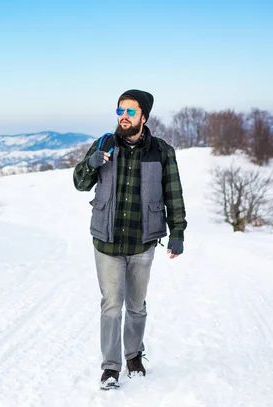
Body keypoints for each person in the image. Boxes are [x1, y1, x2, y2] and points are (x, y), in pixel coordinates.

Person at [73, 89, 187, 390]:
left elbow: (174, 194)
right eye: (120, 110)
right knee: (112, 305)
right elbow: (80, 184)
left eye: (131, 111)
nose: (124, 116)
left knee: (136, 305)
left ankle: (134, 355)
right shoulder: (104, 145)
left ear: (144, 116)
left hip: (142, 242)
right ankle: (111, 367)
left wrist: (178, 232)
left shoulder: (161, 152)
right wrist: (91, 163)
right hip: (107, 243)